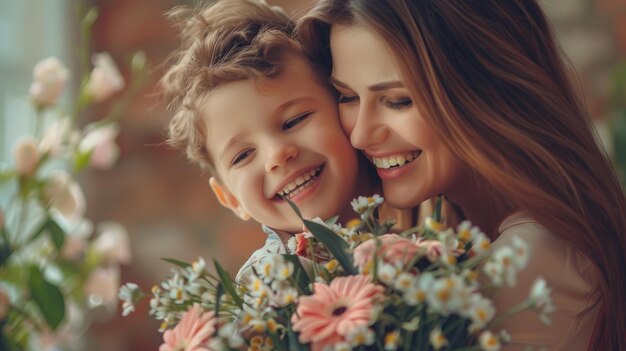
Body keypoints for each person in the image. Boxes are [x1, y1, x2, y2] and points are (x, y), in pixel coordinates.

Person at [296, 1, 626, 350]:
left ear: (486, 91)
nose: (360, 135)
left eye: (397, 100)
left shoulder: (534, 257)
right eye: (347, 96)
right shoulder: (443, 230)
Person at [159, 0, 387, 285]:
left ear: (344, 107)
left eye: (294, 121)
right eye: (242, 156)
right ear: (230, 198)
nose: (277, 154)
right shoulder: (269, 288)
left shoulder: (423, 209)